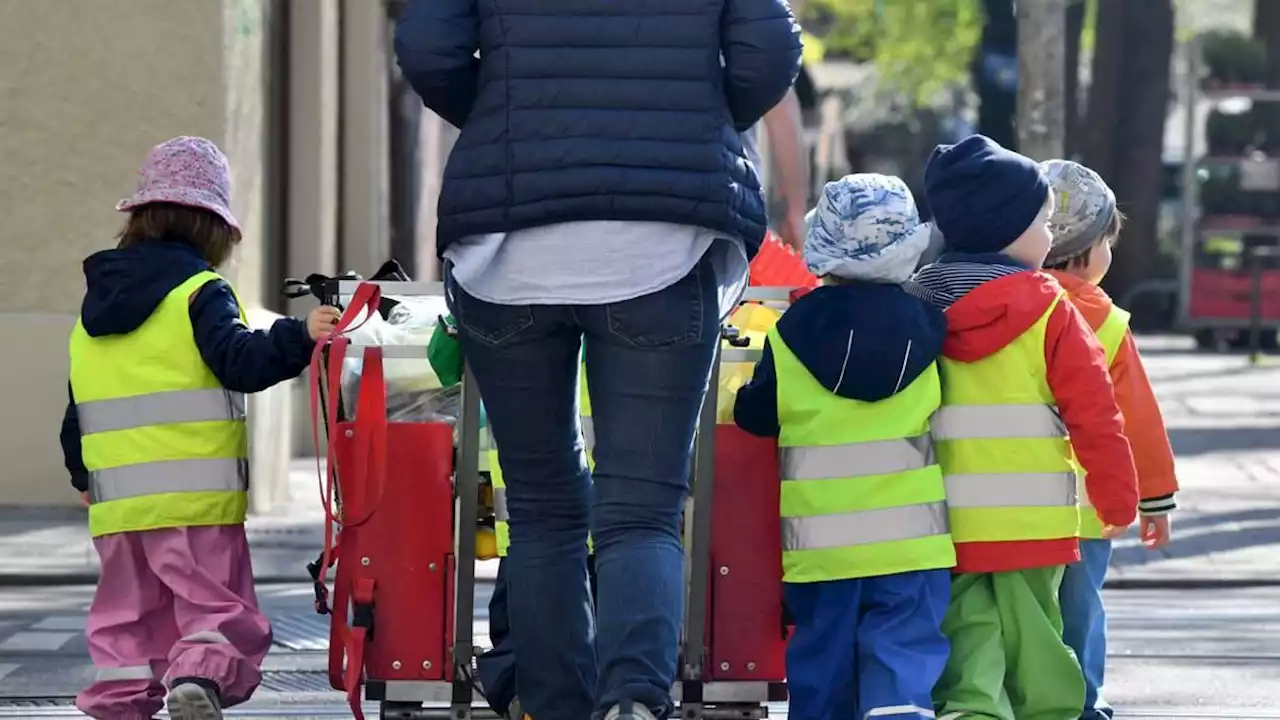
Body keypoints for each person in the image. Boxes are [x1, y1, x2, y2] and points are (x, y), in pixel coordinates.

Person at [394, 1, 802, 718]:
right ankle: (634, 701)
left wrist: (498, 115)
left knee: (544, 508)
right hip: (666, 245)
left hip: (504, 251)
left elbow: (428, 47)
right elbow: (769, 49)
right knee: (642, 511)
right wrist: (696, 114)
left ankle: (555, 705)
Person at [60, 136, 341, 720]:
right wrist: (301, 334)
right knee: (213, 607)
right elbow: (239, 360)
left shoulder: (94, 309)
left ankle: (118, 700)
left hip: (116, 506)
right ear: (213, 229)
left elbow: (77, 405)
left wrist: (82, 474)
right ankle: (198, 678)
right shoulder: (200, 292)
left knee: (125, 619)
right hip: (195, 500)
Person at [908, 134, 1140, 720]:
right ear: (1009, 230)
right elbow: (1095, 412)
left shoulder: (919, 305)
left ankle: (974, 710)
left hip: (945, 522)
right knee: (1037, 634)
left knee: (970, 633)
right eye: (1042, 222)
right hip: (1034, 520)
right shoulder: (1052, 311)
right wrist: (1116, 496)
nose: (1049, 237)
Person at [734, 174, 955, 720]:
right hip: (912, 543)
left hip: (821, 547)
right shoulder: (932, 328)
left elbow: (757, 414)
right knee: (902, 662)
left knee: (821, 671)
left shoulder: (790, 332)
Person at [1039, 159, 1178, 720]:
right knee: (1081, 611)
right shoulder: (1107, 322)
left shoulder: (1006, 305)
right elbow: (1137, 420)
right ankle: (1083, 702)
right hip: (1090, 507)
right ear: (1087, 250)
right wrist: (1155, 498)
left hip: (1008, 502)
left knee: (1026, 609)